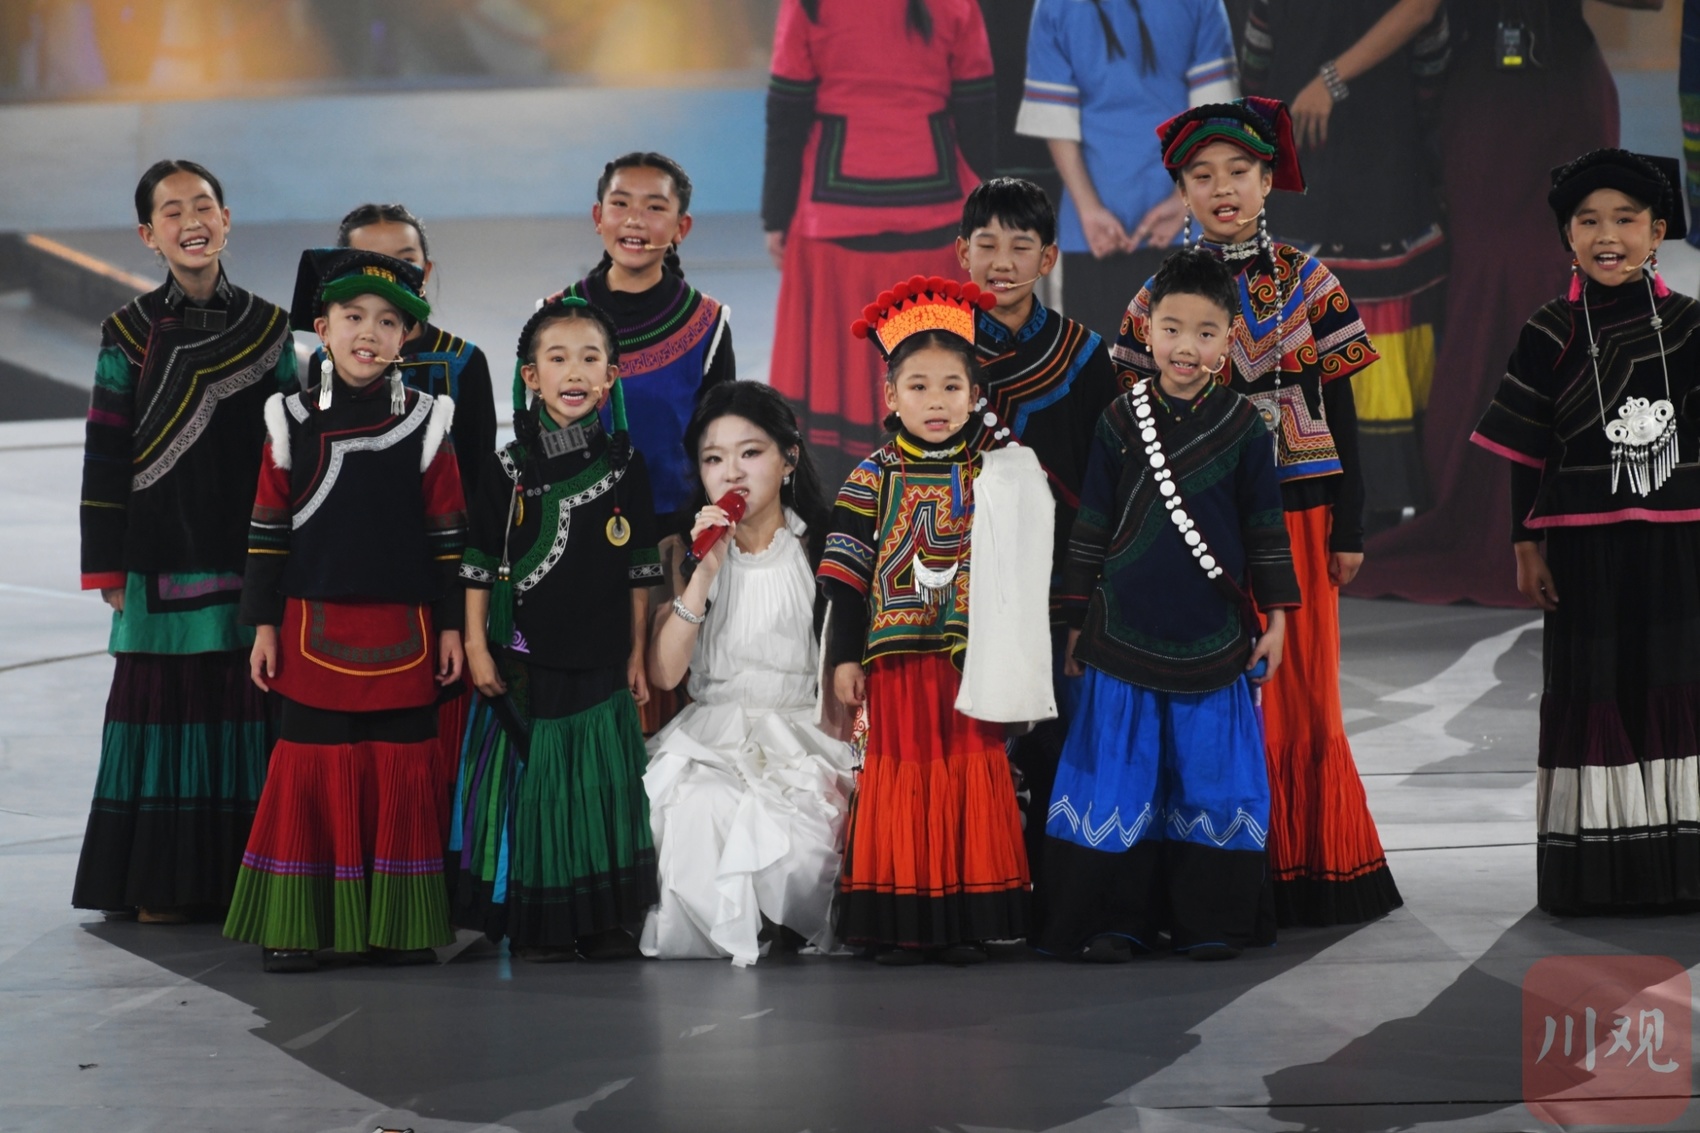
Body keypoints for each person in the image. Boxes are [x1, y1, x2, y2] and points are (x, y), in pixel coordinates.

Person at [1118, 98, 1402, 928]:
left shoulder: (1312, 284)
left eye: (1238, 172)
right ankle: (1224, 867)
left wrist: (1351, 524)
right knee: (1216, 689)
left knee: (1303, 688)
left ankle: (1307, 862)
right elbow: (1133, 420)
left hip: (1300, 513)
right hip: (1198, 522)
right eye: (1202, 176)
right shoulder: (1156, 296)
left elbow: (1343, 411)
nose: (1223, 189)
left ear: (1268, 179)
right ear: (1181, 190)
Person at [1037, 248, 1298, 961]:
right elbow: (1091, 525)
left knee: (1210, 779)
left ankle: (1208, 920)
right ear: (1147, 328)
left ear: (1230, 338)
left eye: (1206, 333)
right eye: (1173, 329)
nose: (1187, 347)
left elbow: (1265, 530)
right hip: (1121, 633)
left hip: (1214, 635)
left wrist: (1277, 620)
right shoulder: (1118, 420)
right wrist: (1074, 620)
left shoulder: (1246, 427)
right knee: (1117, 778)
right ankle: (1111, 921)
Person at [223, 250, 465, 972]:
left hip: (407, 634)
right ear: (322, 329)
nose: (369, 332)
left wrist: (453, 625)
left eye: (388, 322)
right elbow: (267, 529)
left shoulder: (428, 421)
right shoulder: (289, 419)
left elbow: (448, 536)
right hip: (310, 633)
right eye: (353, 317)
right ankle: (297, 925)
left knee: (400, 768)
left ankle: (400, 927)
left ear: (406, 338)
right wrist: (264, 625)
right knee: (308, 768)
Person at [1472, 150, 1700, 913]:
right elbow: (1525, 449)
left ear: (1657, 232)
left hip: (1678, 550)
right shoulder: (1549, 331)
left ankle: (1680, 869)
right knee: (1595, 689)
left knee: (1674, 686)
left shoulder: (1690, 326)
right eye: (1589, 221)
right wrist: (1524, 543)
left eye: (1626, 220)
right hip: (1583, 551)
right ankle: (1598, 876)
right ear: (1567, 236)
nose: (1608, 236)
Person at [73, 159, 295, 923]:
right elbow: (105, 452)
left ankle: (243, 878)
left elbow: (293, 451)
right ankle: (161, 883)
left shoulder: (270, 330)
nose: (191, 220)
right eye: (172, 211)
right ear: (149, 235)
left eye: (203, 205)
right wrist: (106, 567)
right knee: (162, 712)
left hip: (248, 556)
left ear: (226, 220)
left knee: (245, 706)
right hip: (155, 561)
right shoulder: (126, 334)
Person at [1347, 0, 1619, 605]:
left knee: (1569, 280)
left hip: (1569, 92)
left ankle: (1582, 515)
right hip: (1483, 100)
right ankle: (1477, 509)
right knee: (1485, 291)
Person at [820, 277, 1052, 965]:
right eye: (918, 386)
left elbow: (1023, 571)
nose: (936, 401)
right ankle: (903, 923)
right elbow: (846, 579)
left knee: (970, 767)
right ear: (890, 395)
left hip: (972, 663)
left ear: (975, 394)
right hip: (895, 663)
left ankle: (967, 921)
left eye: (952, 386)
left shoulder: (1000, 472)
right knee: (903, 770)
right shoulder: (869, 477)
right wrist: (845, 657)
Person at [452, 296, 662, 962]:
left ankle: (602, 919)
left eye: (590, 358)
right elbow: (478, 562)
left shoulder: (627, 466)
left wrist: (636, 651)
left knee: (600, 787)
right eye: (558, 358)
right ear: (531, 376)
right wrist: (477, 644)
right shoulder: (507, 469)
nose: (575, 372)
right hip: (526, 657)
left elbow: (640, 569)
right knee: (540, 788)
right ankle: (542, 920)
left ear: (610, 377)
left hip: (602, 656)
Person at [640, 381, 857, 966]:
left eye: (750, 452)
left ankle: (783, 925)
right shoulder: (683, 550)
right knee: (696, 810)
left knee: (800, 840)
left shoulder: (827, 545)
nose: (732, 472)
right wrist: (704, 573)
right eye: (713, 459)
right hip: (713, 735)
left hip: (804, 734)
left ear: (789, 458)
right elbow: (664, 674)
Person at [955, 176, 1119, 869]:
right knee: (973, 740)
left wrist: (1088, 593)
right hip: (963, 582)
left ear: (1049, 257)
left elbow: (1106, 483)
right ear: (961, 252)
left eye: (1020, 246)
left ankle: (1059, 881)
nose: (1002, 261)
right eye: (986, 244)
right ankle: (984, 875)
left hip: (1059, 584)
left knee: (1060, 735)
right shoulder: (936, 351)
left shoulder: (1083, 353)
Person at [763, 0, 996, 484]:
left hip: (833, 222)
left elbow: (786, 113)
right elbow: (977, 112)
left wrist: (776, 216)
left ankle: (842, 500)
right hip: (935, 217)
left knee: (836, 372)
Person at [1240, 0, 1451, 528]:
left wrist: (1324, 84)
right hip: (1377, 177)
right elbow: (1434, 68)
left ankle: (1323, 508)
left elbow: (1254, 73)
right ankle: (1376, 511)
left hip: (1335, 182)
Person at [331, 201, 496, 847]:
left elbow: (480, 490)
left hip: (437, 591)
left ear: (426, 271)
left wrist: (467, 607)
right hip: (348, 595)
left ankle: (431, 864)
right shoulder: (323, 366)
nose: (389, 276)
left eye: (403, 262)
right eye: (369, 263)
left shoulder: (463, 362)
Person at [1015, 0, 1239, 342]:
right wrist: (1185, 200)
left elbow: (1055, 117)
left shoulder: (1055, 5)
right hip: (1184, 225)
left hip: (1093, 233)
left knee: (1097, 365)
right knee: (1189, 359)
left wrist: (1088, 209)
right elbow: (1214, 111)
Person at [556, 152, 732, 538]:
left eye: (654, 207)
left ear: (681, 227)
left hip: (675, 528)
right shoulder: (557, 316)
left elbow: (721, 440)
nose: (634, 220)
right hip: (573, 522)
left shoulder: (708, 323)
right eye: (620, 204)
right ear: (598, 217)